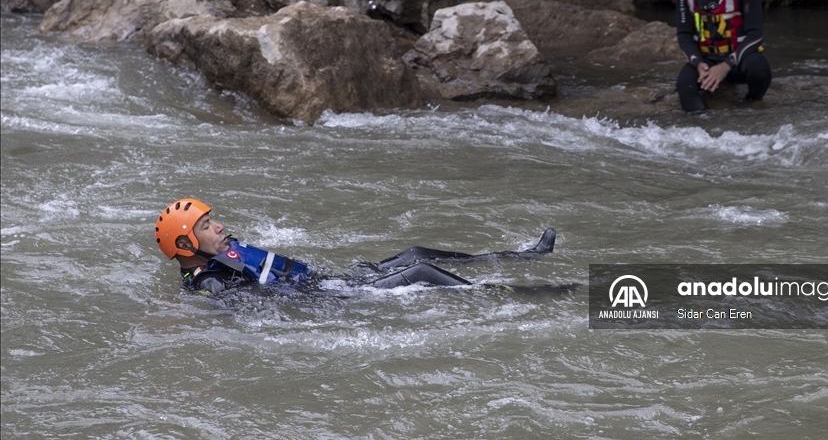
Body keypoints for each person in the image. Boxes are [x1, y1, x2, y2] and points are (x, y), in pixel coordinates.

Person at [154, 198, 557, 296]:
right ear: (188, 244)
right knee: (420, 274)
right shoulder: (210, 281)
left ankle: (522, 256)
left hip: (331, 283)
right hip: (332, 300)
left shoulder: (220, 252)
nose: (220, 226)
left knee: (415, 253)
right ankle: (516, 294)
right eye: (208, 225)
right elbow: (256, 305)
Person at [675, 0, 772, 112]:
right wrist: (699, 64)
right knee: (684, 84)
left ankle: (749, 106)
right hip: (706, 62)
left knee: (760, 67)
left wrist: (726, 65)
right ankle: (706, 124)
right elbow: (684, 35)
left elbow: (756, 35)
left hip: (738, 62)